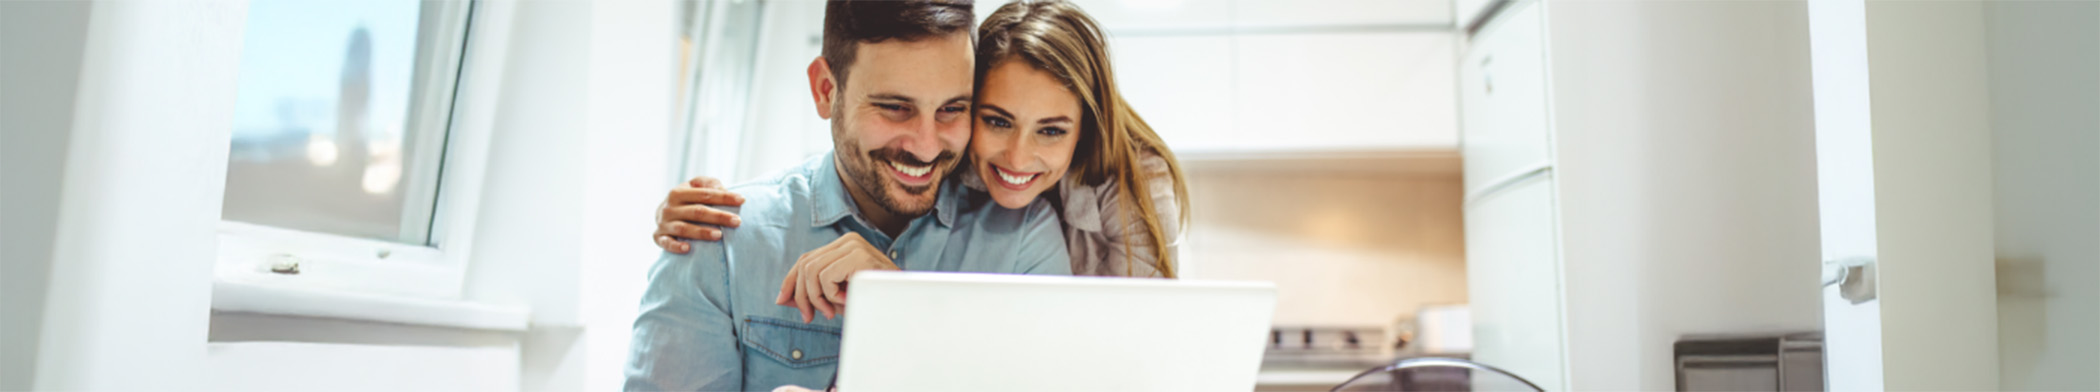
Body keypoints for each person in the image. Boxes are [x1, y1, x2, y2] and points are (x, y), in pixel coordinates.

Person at [622, 1, 1072, 391]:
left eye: (953, 109)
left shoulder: (1023, 240)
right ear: (826, 90)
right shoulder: (719, 244)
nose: (926, 144)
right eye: (895, 107)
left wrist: (902, 307)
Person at [652, 0, 1193, 316]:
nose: (928, 144)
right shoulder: (947, 161)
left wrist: (900, 300)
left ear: (1083, 131)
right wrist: (732, 210)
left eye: (1051, 130)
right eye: (995, 119)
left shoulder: (1123, 193)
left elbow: (1144, 347)